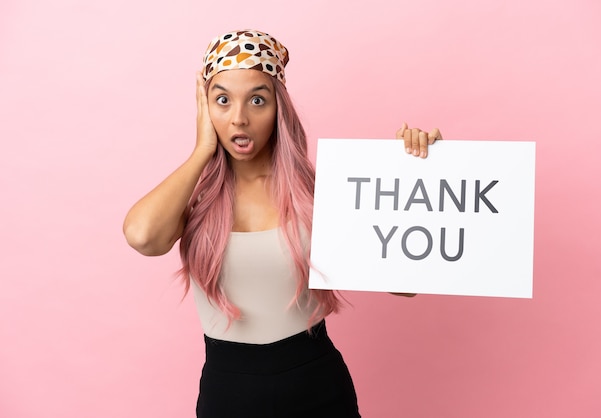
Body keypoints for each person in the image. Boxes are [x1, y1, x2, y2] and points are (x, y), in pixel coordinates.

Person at [123, 29, 442, 418]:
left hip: (318, 387)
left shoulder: (319, 192)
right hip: (228, 392)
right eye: (222, 100)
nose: (239, 118)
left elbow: (405, 287)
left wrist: (414, 174)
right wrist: (202, 149)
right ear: (205, 109)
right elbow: (142, 236)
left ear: (279, 107)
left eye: (257, 100)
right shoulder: (192, 197)